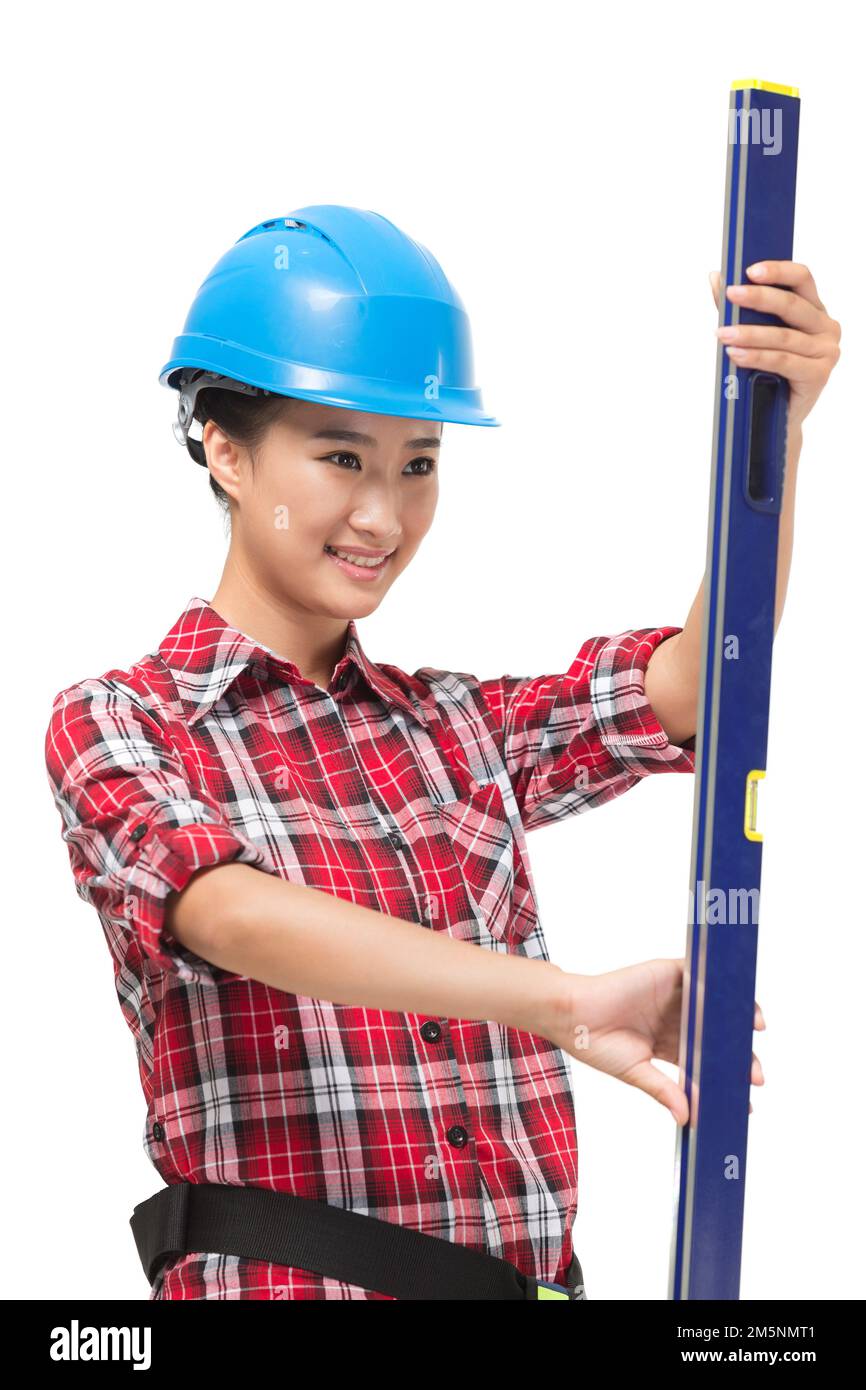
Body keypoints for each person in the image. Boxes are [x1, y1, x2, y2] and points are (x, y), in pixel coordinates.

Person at [44, 206, 838, 1300]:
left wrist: (775, 428)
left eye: (417, 463)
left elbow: (700, 682)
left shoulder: (452, 729)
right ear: (223, 447)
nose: (383, 512)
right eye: (339, 457)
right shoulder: (124, 722)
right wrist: (556, 999)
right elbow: (231, 915)